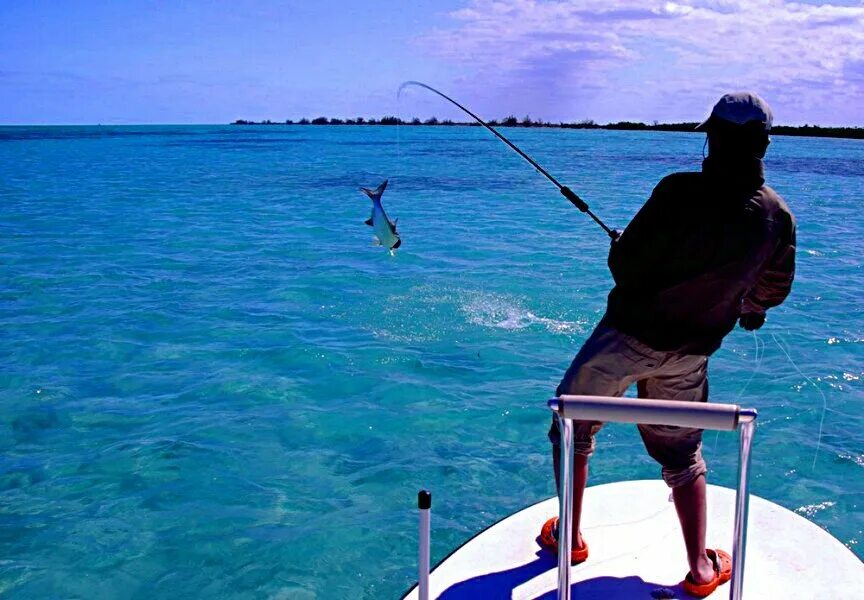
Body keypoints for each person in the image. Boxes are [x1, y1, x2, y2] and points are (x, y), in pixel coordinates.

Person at [540, 92, 796, 598]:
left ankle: (569, 538)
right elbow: (772, 290)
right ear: (764, 143)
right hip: (690, 354)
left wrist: (622, 248)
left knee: (572, 425)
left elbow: (626, 266)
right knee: (682, 456)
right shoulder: (776, 216)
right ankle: (701, 570)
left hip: (625, 338)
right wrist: (749, 309)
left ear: (712, 137)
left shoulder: (677, 191)